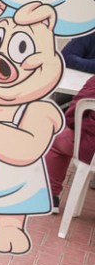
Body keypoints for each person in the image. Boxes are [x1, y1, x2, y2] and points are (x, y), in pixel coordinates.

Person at [44, 74, 95, 211]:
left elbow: (75, 111)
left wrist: (73, 127)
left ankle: (51, 196)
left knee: (57, 140)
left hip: (89, 150)